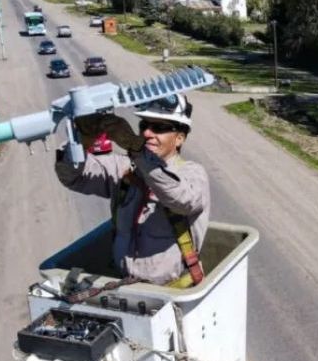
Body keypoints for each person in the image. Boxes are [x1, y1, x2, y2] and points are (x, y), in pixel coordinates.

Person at [54, 94, 209, 288]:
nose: (147, 133)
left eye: (159, 128)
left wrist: (137, 151)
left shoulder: (193, 174)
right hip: (124, 286)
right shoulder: (125, 168)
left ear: (179, 138)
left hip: (173, 291)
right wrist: (83, 139)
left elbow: (180, 199)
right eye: (144, 126)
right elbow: (72, 177)